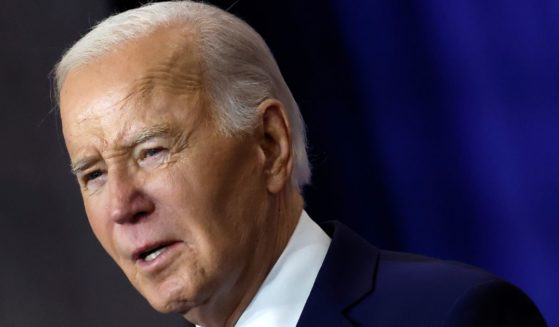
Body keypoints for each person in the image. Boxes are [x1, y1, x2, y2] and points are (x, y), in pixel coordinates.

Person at [54, 1, 546, 326]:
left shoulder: (454, 317)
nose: (121, 205)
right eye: (93, 174)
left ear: (270, 145)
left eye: (151, 151)